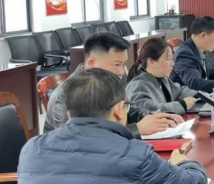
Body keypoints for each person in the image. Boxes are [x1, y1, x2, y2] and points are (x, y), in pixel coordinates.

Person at [14, 68, 207, 184]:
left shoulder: (31, 149)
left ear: (69, 112)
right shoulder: (133, 155)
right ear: (118, 110)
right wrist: (185, 163)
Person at [44, 32, 181, 138]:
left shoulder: (112, 80)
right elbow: (73, 141)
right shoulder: (64, 96)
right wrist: (136, 129)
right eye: (116, 65)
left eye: (124, 64)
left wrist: (156, 117)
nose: (121, 72)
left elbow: (128, 108)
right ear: (91, 63)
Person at [126, 37, 199, 115]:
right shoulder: (139, 85)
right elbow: (147, 110)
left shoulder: (162, 78)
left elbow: (178, 91)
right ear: (151, 62)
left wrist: (200, 95)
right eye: (168, 59)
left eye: (172, 59)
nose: (172, 63)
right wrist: (182, 105)